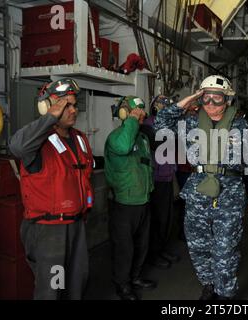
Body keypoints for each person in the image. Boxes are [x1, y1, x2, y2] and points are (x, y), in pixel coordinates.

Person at [154, 75, 248, 300]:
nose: (211, 104)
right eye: (206, 99)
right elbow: (161, 122)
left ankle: (224, 295)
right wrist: (189, 99)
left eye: (217, 99)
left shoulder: (241, 125)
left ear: (227, 100)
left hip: (230, 193)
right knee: (198, 246)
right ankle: (209, 285)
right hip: (197, 192)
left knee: (225, 249)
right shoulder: (191, 122)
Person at [9, 78, 93, 299]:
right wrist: (49, 118)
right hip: (49, 231)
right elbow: (16, 146)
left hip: (76, 226)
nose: (73, 110)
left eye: (74, 104)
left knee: (77, 282)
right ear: (47, 107)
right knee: (52, 288)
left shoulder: (79, 138)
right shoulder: (36, 142)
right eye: (65, 105)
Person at [104, 96, 156, 300]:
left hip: (142, 200)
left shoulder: (142, 138)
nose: (141, 114)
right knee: (124, 248)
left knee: (142, 244)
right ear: (125, 113)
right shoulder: (116, 137)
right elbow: (125, 147)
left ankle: (134, 277)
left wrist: (149, 189)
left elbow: (146, 165)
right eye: (137, 110)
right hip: (124, 203)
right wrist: (132, 120)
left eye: (142, 110)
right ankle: (122, 284)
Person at [144, 95, 180, 269]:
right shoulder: (149, 125)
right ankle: (153, 254)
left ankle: (161, 249)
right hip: (156, 179)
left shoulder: (168, 126)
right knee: (157, 219)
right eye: (164, 107)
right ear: (156, 108)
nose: (167, 110)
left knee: (166, 218)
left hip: (167, 176)